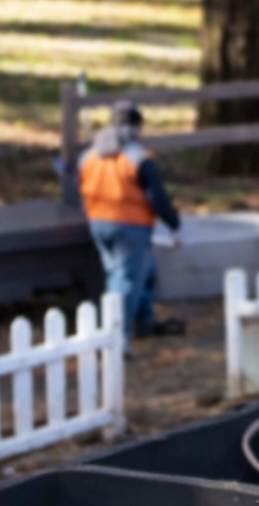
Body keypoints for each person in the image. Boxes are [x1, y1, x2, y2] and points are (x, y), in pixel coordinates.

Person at [78, 100, 184, 340]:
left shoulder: (89, 156)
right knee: (124, 282)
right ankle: (118, 339)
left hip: (97, 222)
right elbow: (157, 196)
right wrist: (174, 225)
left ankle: (143, 321)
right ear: (137, 128)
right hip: (130, 226)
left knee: (138, 271)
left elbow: (80, 188)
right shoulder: (139, 158)